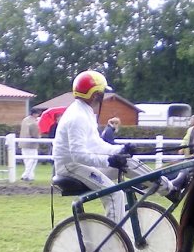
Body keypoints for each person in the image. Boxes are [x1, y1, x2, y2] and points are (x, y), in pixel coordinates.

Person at [52, 70, 175, 224]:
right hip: (71, 168)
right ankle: (114, 245)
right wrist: (109, 161)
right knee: (115, 195)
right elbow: (78, 155)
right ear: (95, 95)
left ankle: (169, 188)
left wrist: (120, 150)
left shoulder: (85, 112)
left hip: (79, 165)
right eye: (102, 93)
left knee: (127, 161)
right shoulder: (78, 117)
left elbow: (96, 144)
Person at [19, 108, 41, 181]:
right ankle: (25, 175)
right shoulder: (33, 123)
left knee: (27, 160)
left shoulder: (25, 120)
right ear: (35, 114)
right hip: (31, 144)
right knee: (33, 160)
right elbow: (35, 135)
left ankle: (30, 176)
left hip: (23, 143)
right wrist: (39, 136)